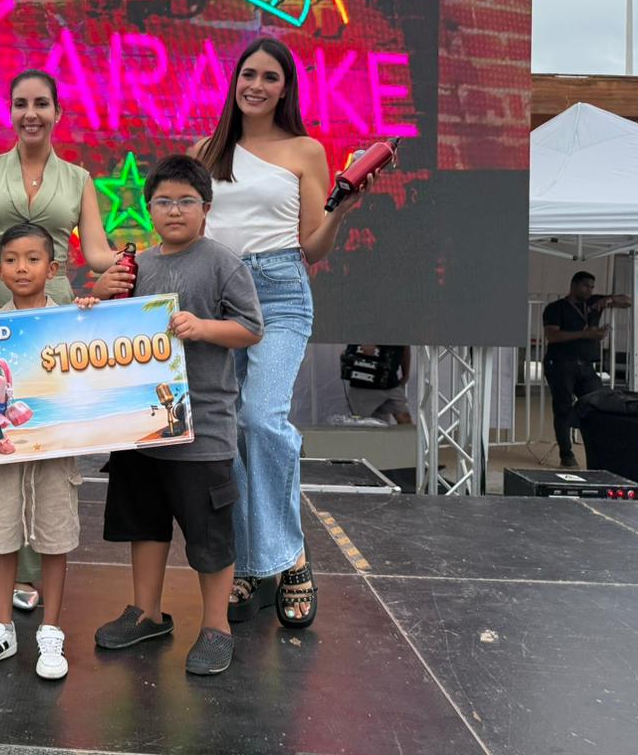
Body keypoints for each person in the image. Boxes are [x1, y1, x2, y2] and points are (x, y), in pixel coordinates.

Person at [188, 36, 370, 629]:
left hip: (280, 293)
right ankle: (247, 562)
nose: (257, 85)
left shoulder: (305, 150)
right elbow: (188, 235)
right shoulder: (205, 152)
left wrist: (341, 210)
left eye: (270, 77)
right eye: (249, 74)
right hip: (217, 296)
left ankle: (289, 558)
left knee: (260, 420)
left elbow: (313, 247)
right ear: (234, 81)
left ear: (286, 87)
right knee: (227, 433)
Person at [0, 69, 117, 608]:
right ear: (10, 111)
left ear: (58, 112)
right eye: (20, 104)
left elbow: (99, 253)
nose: (30, 113)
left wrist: (156, 256)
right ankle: (0, 557)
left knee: (44, 437)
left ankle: (33, 566)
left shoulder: (79, 178)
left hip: (50, 318)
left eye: (41, 104)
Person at [91, 155, 263, 676]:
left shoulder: (222, 262)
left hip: (203, 425)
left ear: (205, 208)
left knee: (209, 534)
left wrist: (204, 328)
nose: (174, 210)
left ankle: (216, 626)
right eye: (163, 201)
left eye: (186, 201)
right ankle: (147, 613)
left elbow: (251, 327)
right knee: (144, 522)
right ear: (148, 209)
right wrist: (96, 297)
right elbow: (106, 330)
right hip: (138, 424)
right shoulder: (134, 265)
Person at [0, 222, 97, 680]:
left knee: (55, 538)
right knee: (1, 536)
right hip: (3, 453)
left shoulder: (72, 320)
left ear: (52, 269)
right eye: (12, 260)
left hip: (55, 455)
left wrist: (89, 318)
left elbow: (89, 374)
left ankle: (51, 630)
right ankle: (1, 627)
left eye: (33, 259)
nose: (22, 268)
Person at [542, 272, 630, 468]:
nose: (589, 290)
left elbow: (627, 301)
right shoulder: (555, 308)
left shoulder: (593, 302)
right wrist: (585, 334)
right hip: (561, 363)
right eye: (585, 286)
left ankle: (597, 451)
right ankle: (566, 454)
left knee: (597, 403)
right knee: (563, 408)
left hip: (586, 364)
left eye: (592, 287)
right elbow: (553, 335)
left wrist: (608, 299)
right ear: (573, 285)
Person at [344, 345, 413, 424]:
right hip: (364, 384)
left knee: (405, 421)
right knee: (359, 424)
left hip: (391, 382)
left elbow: (406, 347)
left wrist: (406, 375)